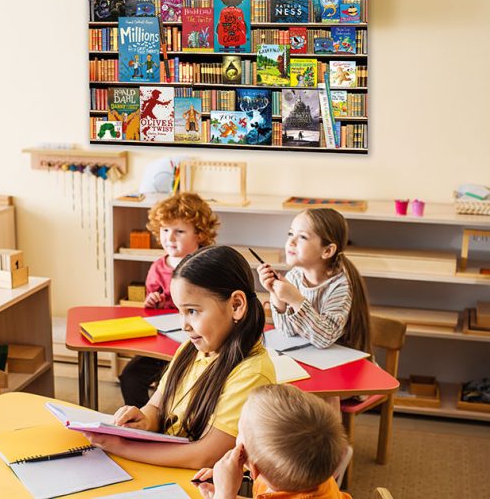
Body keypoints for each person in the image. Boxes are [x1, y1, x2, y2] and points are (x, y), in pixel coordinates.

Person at [86, 246, 276, 469]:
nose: (183, 325)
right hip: (165, 470)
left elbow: (205, 456)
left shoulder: (252, 373)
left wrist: (121, 447)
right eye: (180, 311)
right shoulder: (190, 349)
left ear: (236, 305)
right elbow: (157, 405)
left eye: (193, 311)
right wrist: (144, 419)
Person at [119, 192, 219, 407]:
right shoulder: (158, 267)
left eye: (179, 231)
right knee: (130, 377)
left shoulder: (210, 265)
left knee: (189, 389)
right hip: (163, 344)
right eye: (165, 230)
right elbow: (152, 308)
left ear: (199, 234)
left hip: (201, 344)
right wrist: (151, 302)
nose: (169, 238)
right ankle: (144, 425)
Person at [193, 384, 352, 499]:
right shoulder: (313, 473)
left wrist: (224, 494)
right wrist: (225, 485)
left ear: (255, 468)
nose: (237, 432)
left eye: (240, 429)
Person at [257, 208, 371, 354]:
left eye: (302, 237)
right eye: (291, 233)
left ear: (327, 251)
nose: (291, 241)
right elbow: (287, 331)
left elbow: (324, 339)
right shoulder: (294, 276)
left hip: (339, 364)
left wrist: (296, 300)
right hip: (309, 359)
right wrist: (276, 296)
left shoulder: (340, 286)